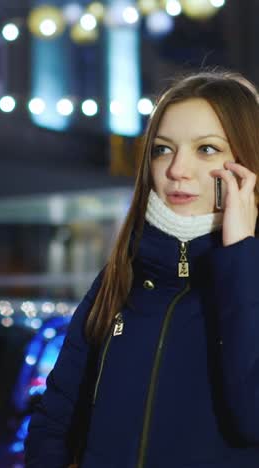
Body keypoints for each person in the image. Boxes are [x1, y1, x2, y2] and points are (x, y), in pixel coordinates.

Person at [24, 69, 259, 468]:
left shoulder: (246, 278)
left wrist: (240, 256)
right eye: (163, 149)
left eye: (206, 149)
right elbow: (56, 416)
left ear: (246, 162)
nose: (177, 170)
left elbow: (251, 418)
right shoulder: (121, 276)